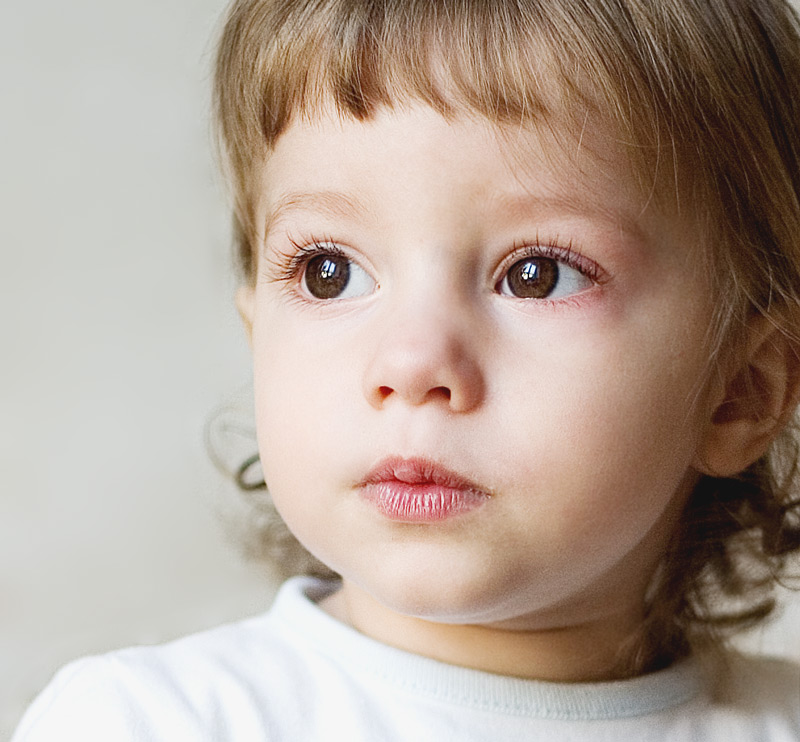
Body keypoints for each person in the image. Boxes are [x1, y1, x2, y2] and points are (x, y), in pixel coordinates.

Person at [13, 0, 800, 739]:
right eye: (329, 271)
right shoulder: (146, 723)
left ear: (740, 392)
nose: (412, 363)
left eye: (537, 275)